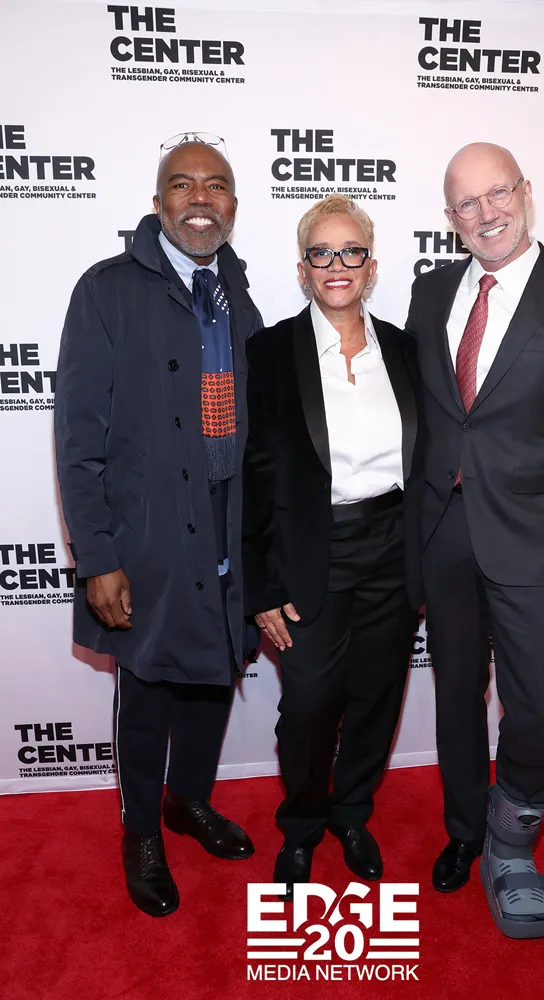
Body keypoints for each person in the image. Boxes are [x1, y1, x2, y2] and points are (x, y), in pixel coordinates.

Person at [406, 142, 544, 938]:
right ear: (450, 217)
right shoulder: (431, 291)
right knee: (457, 694)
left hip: (534, 542)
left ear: (526, 192)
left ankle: (512, 841)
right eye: (467, 203)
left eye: (497, 193)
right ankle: (466, 829)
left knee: (535, 707)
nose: (486, 213)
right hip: (444, 534)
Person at [55, 133, 263, 918]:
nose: (200, 198)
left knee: (214, 673)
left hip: (227, 524)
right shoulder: (106, 290)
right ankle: (141, 829)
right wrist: (97, 556)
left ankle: (188, 801)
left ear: (233, 205)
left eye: (215, 185)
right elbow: (77, 437)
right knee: (145, 690)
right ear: (158, 202)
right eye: (183, 184)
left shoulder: (240, 293)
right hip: (144, 536)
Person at [243, 195, 422, 900]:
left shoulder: (405, 350)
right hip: (308, 554)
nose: (336, 265)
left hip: (394, 547)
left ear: (371, 267)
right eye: (322, 253)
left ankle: (351, 814)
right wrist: (261, 587)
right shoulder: (268, 353)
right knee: (310, 705)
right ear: (303, 268)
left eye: (351, 252)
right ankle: (302, 826)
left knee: (377, 695)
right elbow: (251, 479)